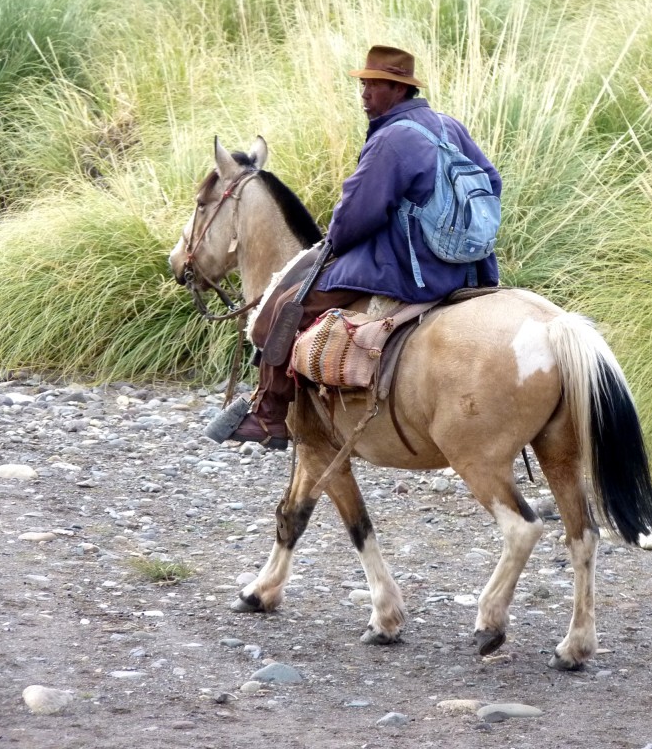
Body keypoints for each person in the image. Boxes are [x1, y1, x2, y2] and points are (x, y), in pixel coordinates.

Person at [213, 45, 502, 449]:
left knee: (289, 305)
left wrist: (335, 240)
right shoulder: (447, 125)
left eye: (375, 85)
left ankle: (269, 415)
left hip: (410, 266)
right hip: (470, 266)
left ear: (399, 90)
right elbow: (492, 180)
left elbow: (357, 213)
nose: (364, 94)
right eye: (363, 84)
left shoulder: (392, 140)